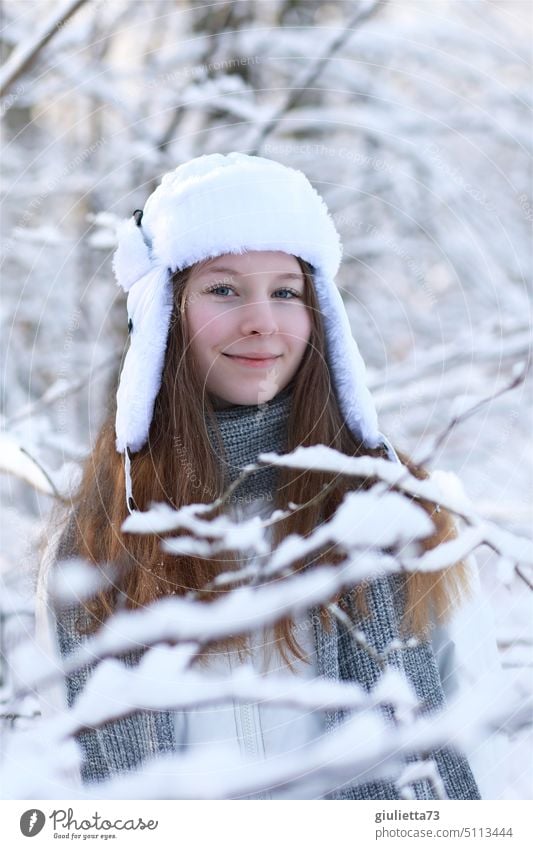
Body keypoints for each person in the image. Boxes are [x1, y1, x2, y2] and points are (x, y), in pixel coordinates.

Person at [39, 152, 483, 799]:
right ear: (166, 313)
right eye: (224, 288)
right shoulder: (94, 542)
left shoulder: (405, 516)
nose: (261, 319)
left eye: (285, 291)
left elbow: (476, 748)